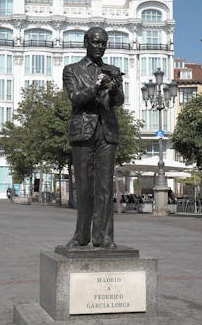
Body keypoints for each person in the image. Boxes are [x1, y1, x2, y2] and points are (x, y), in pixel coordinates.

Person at [63, 26, 124, 249]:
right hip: (83, 131)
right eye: (96, 42)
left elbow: (118, 102)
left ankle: (104, 237)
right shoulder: (72, 70)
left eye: (103, 43)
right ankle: (81, 236)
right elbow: (76, 98)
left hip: (107, 131)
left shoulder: (113, 70)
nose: (100, 46)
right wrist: (96, 87)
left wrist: (115, 88)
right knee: (85, 187)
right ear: (86, 43)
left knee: (105, 187)